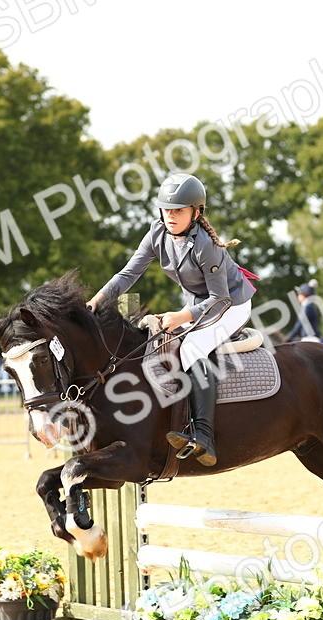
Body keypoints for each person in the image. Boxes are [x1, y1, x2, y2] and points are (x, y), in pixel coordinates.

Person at [87, 173, 257, 466]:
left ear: (196, 212)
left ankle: (204, 435)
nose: (171, 216)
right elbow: (127, 274)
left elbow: (219, 300)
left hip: (231, 305)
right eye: (167, 209)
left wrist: (181, 316)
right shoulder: (156, 234)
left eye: (178, 210)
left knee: (191, 348)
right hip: (199, 304)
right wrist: (97, 300)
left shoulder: (206, 245)